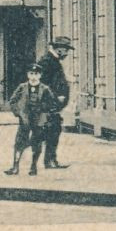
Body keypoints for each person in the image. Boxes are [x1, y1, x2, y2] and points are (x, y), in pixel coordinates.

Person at [4, 64, 61, 176]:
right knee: (19, 143)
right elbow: (12, 101)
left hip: (39, 120)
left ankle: (33, 166)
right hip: (25, 120)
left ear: (40, 75)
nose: (33, 76)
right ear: (27, 75)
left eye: (36, 74)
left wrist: (45, 112)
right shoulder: (22, 87)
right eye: (31, 74)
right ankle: (15, 167)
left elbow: (52, 104)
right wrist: (18, 113)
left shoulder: (45, 89)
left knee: (36, 143)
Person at [36, 36, 73, 168]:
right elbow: (41, 84)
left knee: (53, 131)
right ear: (58, 49)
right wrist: (55, 97)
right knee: (51, 131)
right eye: (66, 49)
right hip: (48, 105)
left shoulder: (52, 61)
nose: (67, 53)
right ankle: (49, 161)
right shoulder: (47, 61)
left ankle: (51, 160)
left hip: (52, 105)